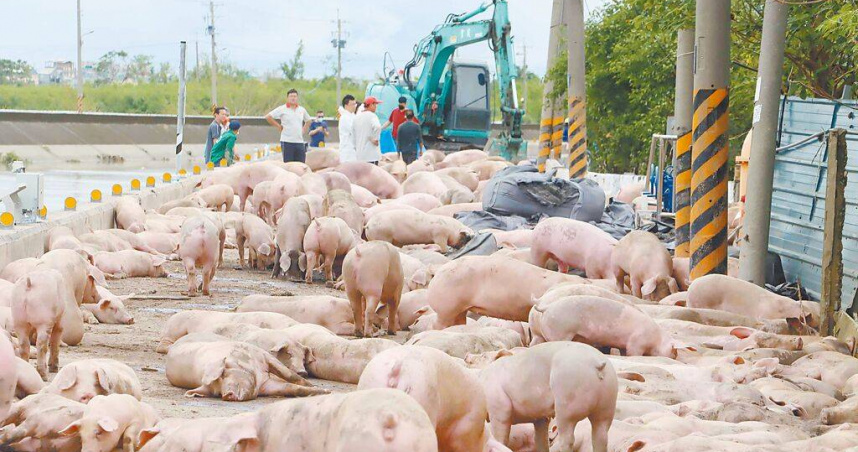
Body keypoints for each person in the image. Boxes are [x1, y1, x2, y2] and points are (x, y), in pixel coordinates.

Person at [265, 88, 312, 163]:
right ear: (287, 98)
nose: (293, 98)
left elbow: (308, 120)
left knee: (301, 165)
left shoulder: (301, 109)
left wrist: (303, 130)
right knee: (289, 165)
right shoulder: (282, 109)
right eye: (291, 96)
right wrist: (278, 126)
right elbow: (268, 117)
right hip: (287, 141)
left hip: (299, 141)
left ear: (297, 98)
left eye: (295, 96)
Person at [353, 97, 383, 164]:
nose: (376, 107)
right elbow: (378, 127)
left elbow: (353, 135)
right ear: (371, 105)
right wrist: (375, 139)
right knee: (372, 174)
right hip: (371, 156)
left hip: (359, 155)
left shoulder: (356, 117)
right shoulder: (372, 116)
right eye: (375, 105)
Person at [337, 94, 358, 163]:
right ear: (346, 105)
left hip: (353, 150)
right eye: (353, 104)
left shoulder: (353, 116)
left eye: (355, 104)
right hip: (347, 151)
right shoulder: (345, 118)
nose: (355, 106)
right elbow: (354, 130)